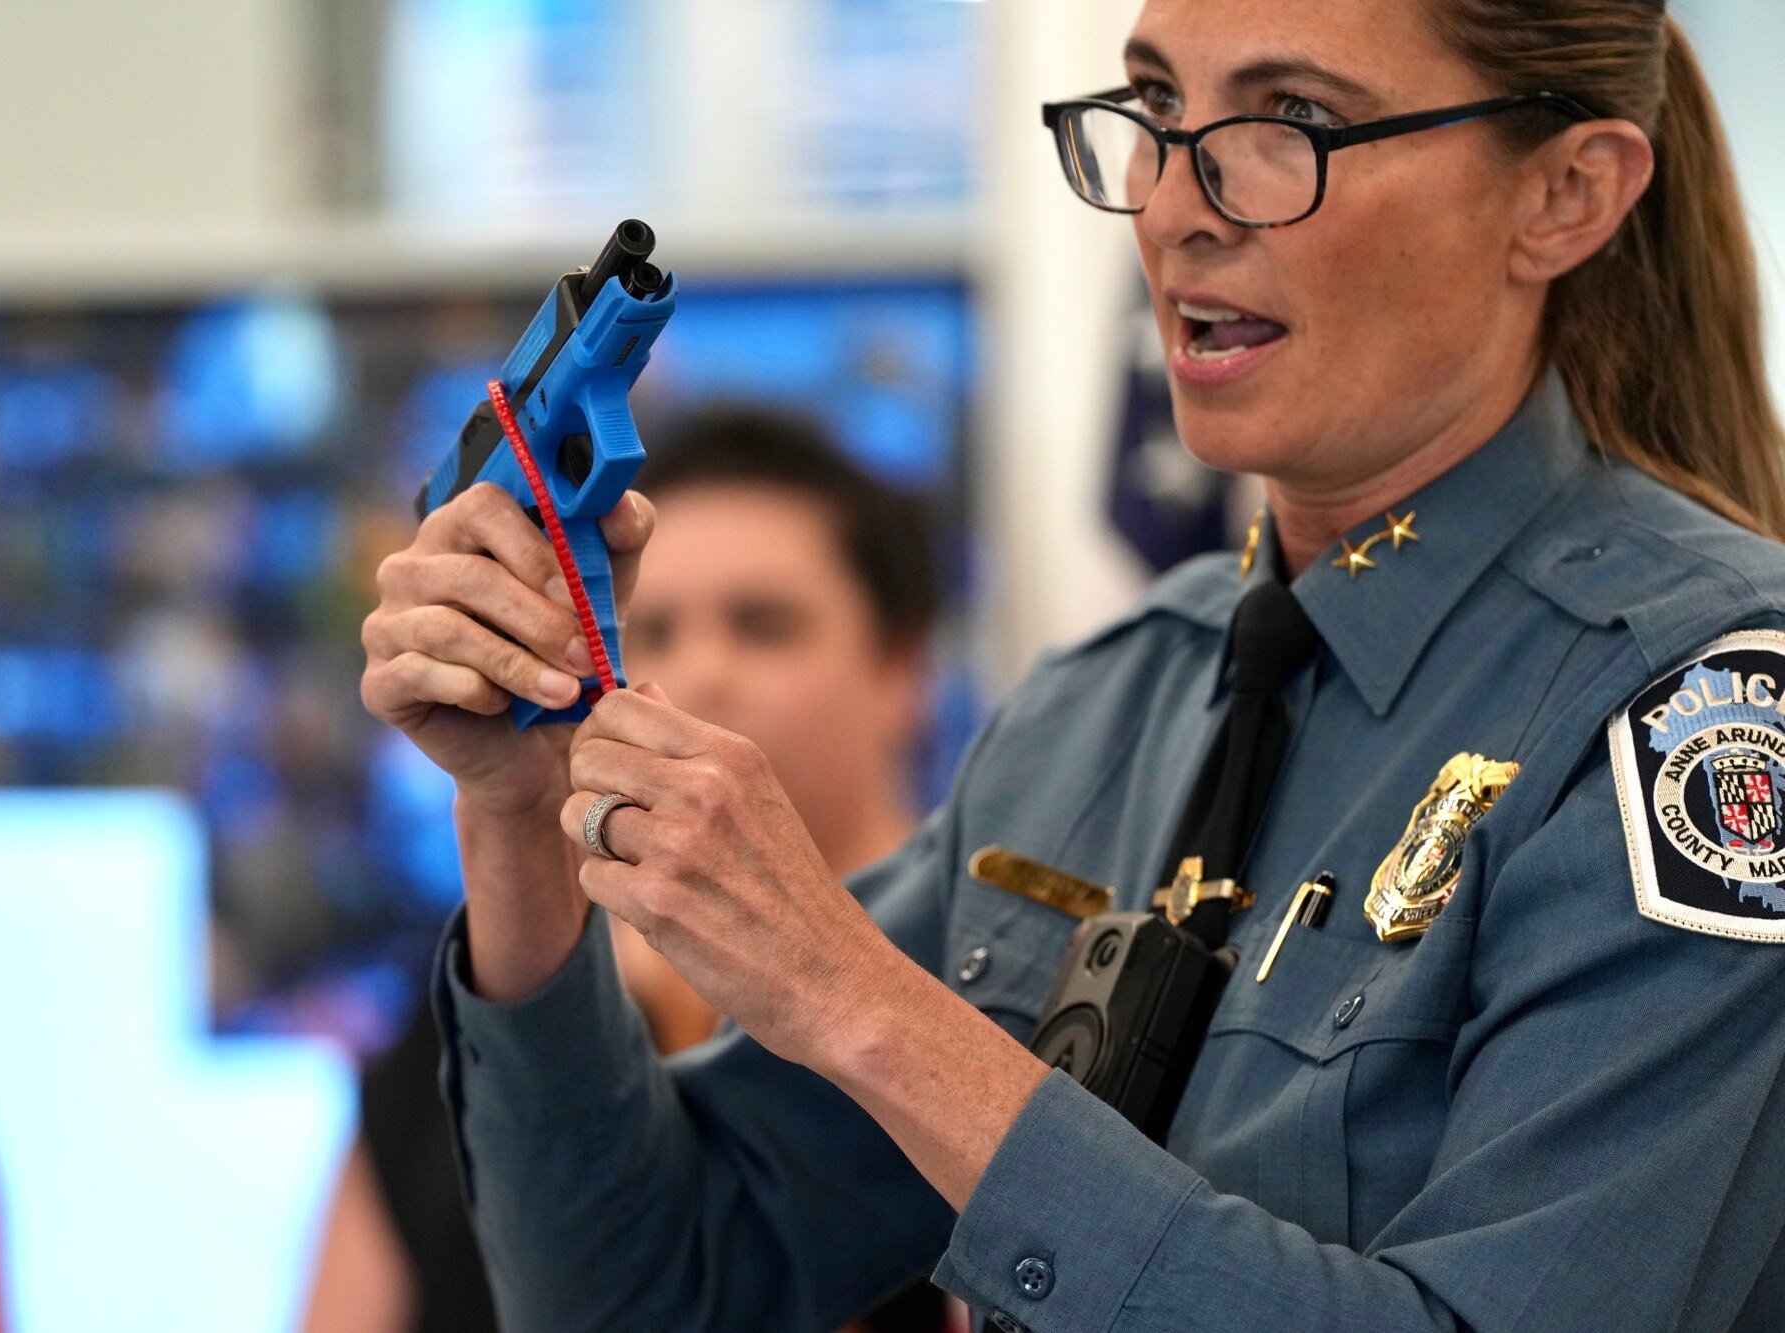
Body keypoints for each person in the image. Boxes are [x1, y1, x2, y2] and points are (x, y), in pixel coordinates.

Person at [359, 2, 1785, 1329]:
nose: (1171, 207)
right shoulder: (1102, 704)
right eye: (1157, 110)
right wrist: (517, 805)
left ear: (1567, 194)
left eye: (1289, 120)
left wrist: (858, 1000)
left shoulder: (1692, 712)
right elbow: (649, 1293)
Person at [315, 411, 952, 1332]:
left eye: (763, 625)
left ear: (904, 665)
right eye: (648, 628)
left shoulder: (992, 1001)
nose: (701, 669)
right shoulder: (464, 1035)